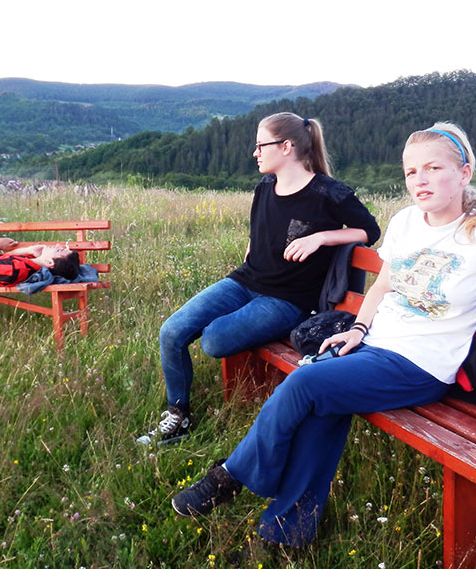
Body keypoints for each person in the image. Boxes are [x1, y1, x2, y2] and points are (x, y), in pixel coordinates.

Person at [170, 121, 476, 547]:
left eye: (434, 168)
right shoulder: (405, 223)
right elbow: (383, 284)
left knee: (305, 383)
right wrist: (359, 328)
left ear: (464, 174)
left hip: (423, 366)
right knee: (323, 407)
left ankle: (230, 477)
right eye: (411, 171)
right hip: (375, 348)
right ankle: (287, 532)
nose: (420, 180)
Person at [136, 112, 381, 446]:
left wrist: (321, 237)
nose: (255, 153)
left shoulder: (329, 193)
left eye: (260, 145)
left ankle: (224, 344)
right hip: (244, 282)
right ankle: (178, 417)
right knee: (171, 331)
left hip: (286, 300)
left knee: (213, 341)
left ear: (286, 146)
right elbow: (260, 231)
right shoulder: (265, 185)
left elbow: (370, 231)